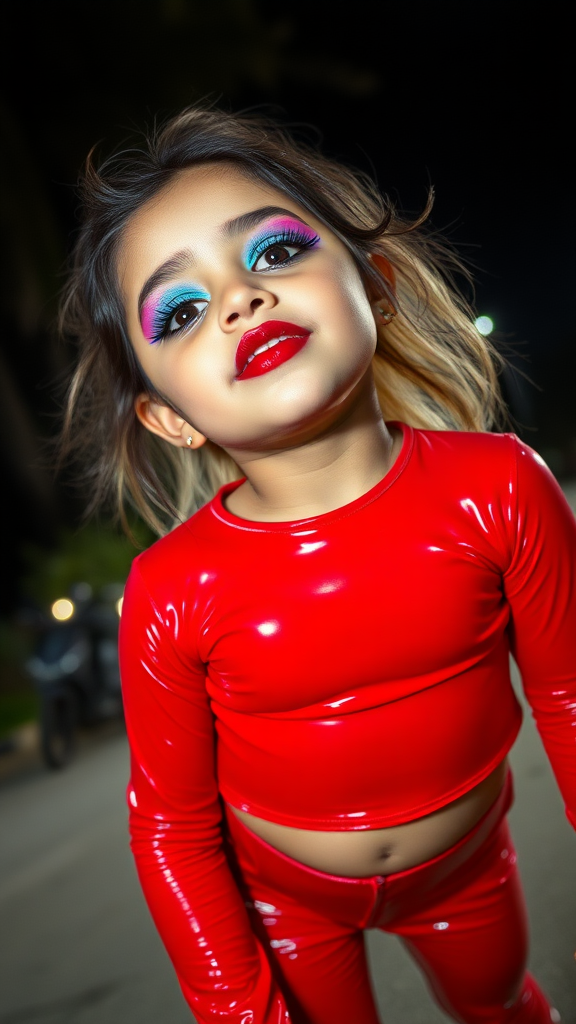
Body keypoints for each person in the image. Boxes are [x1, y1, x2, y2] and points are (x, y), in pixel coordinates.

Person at [60, 105, 575, 1024]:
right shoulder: (173, 591)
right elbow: (171, 828)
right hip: (285, 900)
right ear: (167, 416)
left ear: (372, 288)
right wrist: (239, 1006)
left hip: (465, 871)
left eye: (274, 252)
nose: (240, 299)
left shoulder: (499, 487)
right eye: (180, 310)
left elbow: (571, 697)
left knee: (500, 1004)